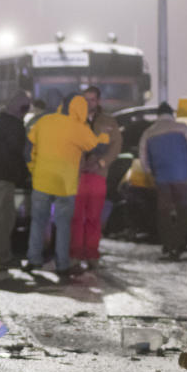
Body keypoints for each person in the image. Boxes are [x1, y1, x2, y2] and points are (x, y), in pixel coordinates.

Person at [25, 94, 109, 277]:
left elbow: (28, 147)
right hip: (65, 184)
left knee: (38, 221)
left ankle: (33, 260)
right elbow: (97, 148)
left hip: (41, 180)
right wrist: (104, 137)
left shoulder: (45, 121)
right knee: (63, 225)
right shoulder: (79, 129)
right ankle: (62, 265)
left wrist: (33, 168)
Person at [138, 102, 187, 261]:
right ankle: (179, 244)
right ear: (171, 113)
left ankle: (167, 244)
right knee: (182, 210)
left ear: (158, 115)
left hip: (162, 177)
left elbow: (143, 158)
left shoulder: (148, 132)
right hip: (182, 176)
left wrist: (150, 173)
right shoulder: (183, 128)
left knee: (163, 211)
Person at [70, 86, 122, 270]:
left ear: (98, 101)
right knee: (76, 218)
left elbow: (116, 147)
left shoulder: (108, 122)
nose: (89, 103)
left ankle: (92, 254)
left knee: (93, 217)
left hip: (98, 175)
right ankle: (75, 255)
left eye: (92, 99)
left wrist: (100, 163)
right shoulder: (74, 120)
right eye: (85, 99)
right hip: (77, 176)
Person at [0, 90, 30, 272]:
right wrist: (25, 173)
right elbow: (17, 152)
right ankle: (2, 258)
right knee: (3, 220)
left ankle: (4, 256)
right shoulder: (13, 124)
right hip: (2, 178)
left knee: (5, 218)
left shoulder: (1, 121)